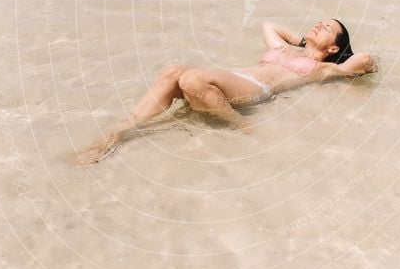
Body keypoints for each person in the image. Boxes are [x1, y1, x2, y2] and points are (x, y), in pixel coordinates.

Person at [74, 18, 377, 165]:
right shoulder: (284, 49)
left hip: (253, 89)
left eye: (327, 28)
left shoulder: (323, 68)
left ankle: (240, 123)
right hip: (232, 78)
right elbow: (268, 24)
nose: (319, 24)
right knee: (173, 72)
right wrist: (300, 42)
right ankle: (118, 132)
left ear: (334, 46)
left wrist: (338, 57)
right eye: (319, 22)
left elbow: (364, 60)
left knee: (191, 79)